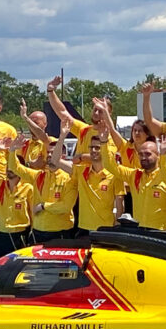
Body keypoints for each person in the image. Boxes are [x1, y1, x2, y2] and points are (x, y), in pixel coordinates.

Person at [52, 100, 126, 235]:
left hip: (106, 229)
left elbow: (120, 201)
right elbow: (55, 160)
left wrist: (82, 156)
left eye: (101, 111)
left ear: (109, 114)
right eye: (95, 110)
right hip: (83, 226)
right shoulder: (82, 171)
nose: (93, 151)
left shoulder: (115, 142)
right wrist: (51, 91)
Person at [5, 134, 76, 244]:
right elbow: (15, 168)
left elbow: (66, 207)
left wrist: (43, 206)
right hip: (38, 231)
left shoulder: (69, 179)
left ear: (63, 156)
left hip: (60, 232)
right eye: (48, 152)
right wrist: (12, 151)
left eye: (53, 153)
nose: (50, 155)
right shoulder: (39, 176)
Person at [0, 144, 34, 262]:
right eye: (7, 166)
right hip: (1, 236)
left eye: (12, 166)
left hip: (19, 237)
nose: (9, 169)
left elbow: (33, 214)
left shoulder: (28, 188)